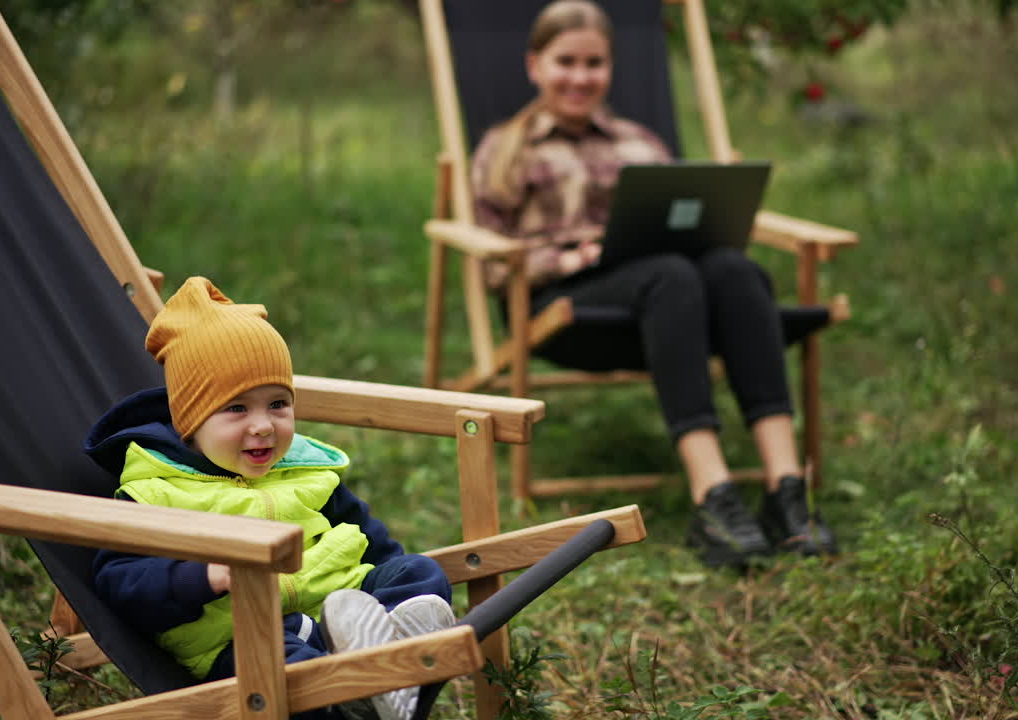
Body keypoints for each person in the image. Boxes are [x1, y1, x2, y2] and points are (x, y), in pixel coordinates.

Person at [470, 0, 839, 570]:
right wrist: (575, 255)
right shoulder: (506, 148)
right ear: (534, 65)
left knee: (735, 270)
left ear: (610, 69)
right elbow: (493, 264)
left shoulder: (641, 143)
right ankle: (712, 496)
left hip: (669, 305)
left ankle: (787, 490)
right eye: (565, 61)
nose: (579, 76)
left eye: (594, 63)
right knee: (671, 275)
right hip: (568, 312)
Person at [86, 277, 453, 720]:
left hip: (341, 610)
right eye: (236, 408)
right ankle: (365, 693)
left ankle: (384, 652)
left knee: (417, 571)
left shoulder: (304, 469)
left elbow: (373, 539)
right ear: (190, 422)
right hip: (246, 637)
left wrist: (386, 587)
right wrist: (204, 577)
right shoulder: (156, 493)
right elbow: (118, 577)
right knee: (286, 662)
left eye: (278, 404)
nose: (262, 425)